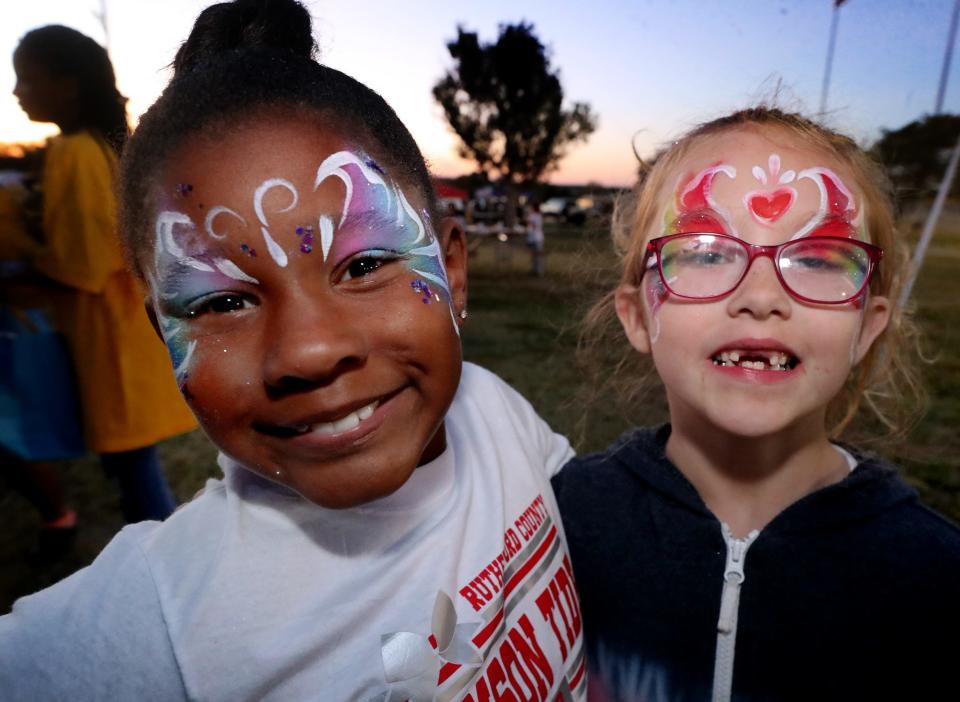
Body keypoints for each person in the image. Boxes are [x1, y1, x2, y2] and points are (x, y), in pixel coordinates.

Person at [0, 2, 585, 700]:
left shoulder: (492, 411)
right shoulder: (169, 617)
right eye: (222, 302)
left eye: (365, 264)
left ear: (452, 271)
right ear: (164, 337)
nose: (308, 350)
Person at [551, 108, 960, 701]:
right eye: (708, 251)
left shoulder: (936, 580)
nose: (761, 295)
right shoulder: (562, 523)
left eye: (819, 258)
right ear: (638, 315)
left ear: (867, 328)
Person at [6, 26, 196, 531]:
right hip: (127, 335)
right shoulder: (111, 147)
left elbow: (81, 265)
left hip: (106, 344)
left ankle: (165, 564)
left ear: (68, 85)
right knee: (131, 468)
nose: (16, 93)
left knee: (137, 478)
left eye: (27, 79)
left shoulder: (75, 152)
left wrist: (21, 271)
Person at [526, 202, 545, 277]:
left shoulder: (533, 215)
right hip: (538, 238)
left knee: (537, 256)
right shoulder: (538, 215)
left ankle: (539, 271)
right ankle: (535, 270)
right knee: (535, 256)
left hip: (536, 238)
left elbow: (531, 224)